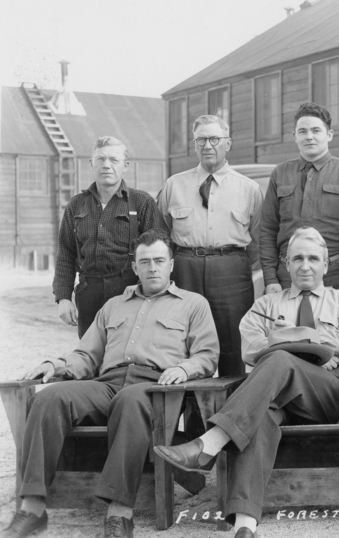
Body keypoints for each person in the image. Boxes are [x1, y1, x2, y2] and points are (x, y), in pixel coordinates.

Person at [154, 227, 339, 538]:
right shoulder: (266, 305)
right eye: (297, 258)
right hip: (274, 395)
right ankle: (245, 524)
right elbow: (251, 348)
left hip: (326, 395)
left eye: (312, 258)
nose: (305, 265)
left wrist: (286, 342)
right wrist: (318, 347)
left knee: (279, 360)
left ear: (326, 264)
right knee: (262, 414)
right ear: (286, 264)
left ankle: (209, 444)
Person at [2, 230, 218, 538]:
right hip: (107, 384)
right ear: (135, 267)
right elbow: (86, 355)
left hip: (155, 387)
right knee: (49, 397)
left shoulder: (193, 305)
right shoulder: (114, 306)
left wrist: (185, 369)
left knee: (130, 400)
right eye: (145, 262)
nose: (152, 268)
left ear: (172, 264)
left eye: (159, 260)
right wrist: (55, 365)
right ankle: (33, 508)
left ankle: (119, 515)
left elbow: (207, 355)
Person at [158, 115, 263, 376]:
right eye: (201, 139)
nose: (208, 145)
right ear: (195, 145)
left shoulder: (248, 189)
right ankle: (195, 417)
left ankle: (232, 413)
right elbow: (160, 236)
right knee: (184, 346)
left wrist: (235, 266)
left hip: (231, 272)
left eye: (214, 139)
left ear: (228, 143)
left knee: (233, 348)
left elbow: (260, 241)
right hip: (185, 271)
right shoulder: (174, 185)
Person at [53, 136, 165, 337]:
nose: (106, 165)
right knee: (90, 358)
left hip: (131, 293)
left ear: (125, 165)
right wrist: (63, 298)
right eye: (100, 159)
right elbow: (65, 254)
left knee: (129, 358)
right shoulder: (76, 205)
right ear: (91, 164)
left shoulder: (142, 203)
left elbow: (159, 254)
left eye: (114, 160)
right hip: (89, 293)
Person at [260, 102, 339, 294]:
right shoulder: (280, 173)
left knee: (335, 324)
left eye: (316, 130)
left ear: (329, 135)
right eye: (302, 131)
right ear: (295, 137)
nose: (309, 137)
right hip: (288, 277)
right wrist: (270, 279)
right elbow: (267, 229)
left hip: (338, 275)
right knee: (288, 324)